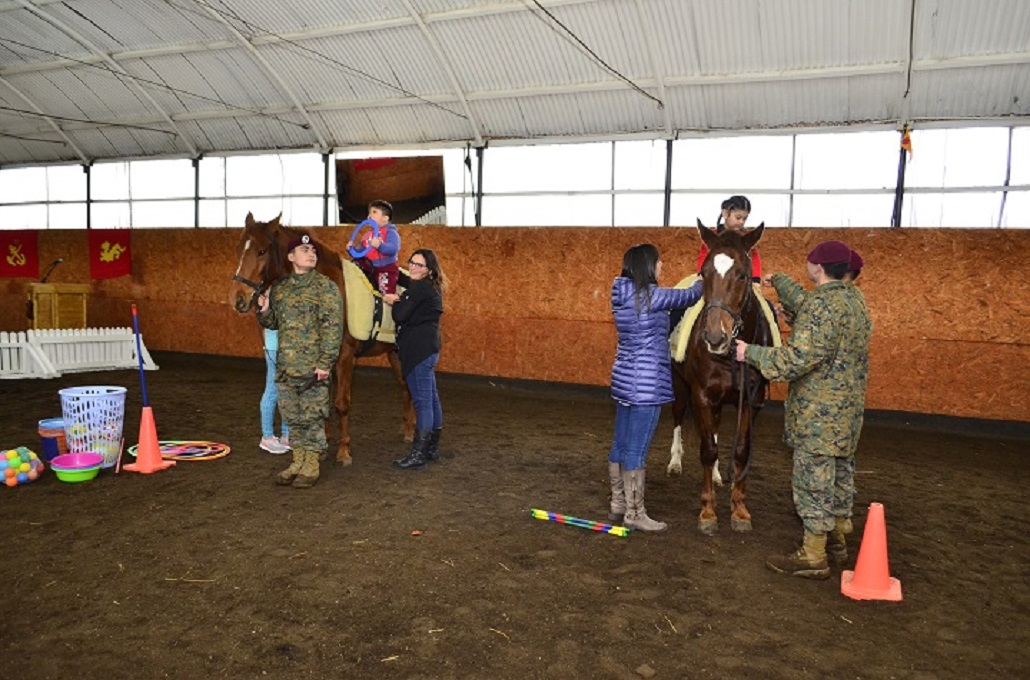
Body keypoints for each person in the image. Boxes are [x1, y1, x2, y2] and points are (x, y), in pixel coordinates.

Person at [735, 240, 872, 579]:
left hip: (818, 414)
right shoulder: (854, 300)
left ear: (817, 268)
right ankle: (837, 542)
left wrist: (750, 353)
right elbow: (822, 329)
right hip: (847, 413)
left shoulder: (821, 307)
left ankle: (813, 556)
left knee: (814, 480)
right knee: (839, 475)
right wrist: (786, 294)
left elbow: (795, 360)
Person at [608, 244, 705, 532]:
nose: (662, 266)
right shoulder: (651, 294)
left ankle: (618, 503)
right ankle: (635, 513)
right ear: (648, 265)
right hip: (647, 384)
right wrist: (703, 278)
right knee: (636, 450)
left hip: (625, 379)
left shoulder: (623, 294)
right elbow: (690, 295)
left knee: (621, 443)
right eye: (659, 262)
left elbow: (658, 324)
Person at [257, 233, 343, 489]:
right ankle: (297, 461)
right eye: (305, 250)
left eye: (313, 250)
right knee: (293, 417)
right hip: (287, 367)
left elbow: (333, 328)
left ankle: (311, 465)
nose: (311, 254)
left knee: (312, 417)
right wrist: (265, 310)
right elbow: (274, 323)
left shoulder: (325, 287)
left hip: (312, 368)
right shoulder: (281, 288)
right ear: (291, 257)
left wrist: (325, 363)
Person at [383, 248, 446, 471]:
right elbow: (408, 285)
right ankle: (431, 449)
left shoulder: (418, 288)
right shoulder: (430, 287)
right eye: (411, 262)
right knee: (431, 398)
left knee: (422, 402)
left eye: (419, 265)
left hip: (418, 351)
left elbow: (400, 315)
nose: (413, 267)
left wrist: (394, 301)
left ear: (429, 269)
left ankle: (419, 453)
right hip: (429, 349)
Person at [768, 247, 865, 326]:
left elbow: (805, 302)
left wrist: (778, 279)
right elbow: (825, 328)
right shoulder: (854, 296)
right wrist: (792, 318)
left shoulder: (834, 298)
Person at [696, 195, 762, 282]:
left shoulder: (746, 238)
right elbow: (704, 255)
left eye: (744, 219)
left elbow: (754, 257)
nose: (741, 222)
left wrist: (756, 279)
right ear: (725, 213)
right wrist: (701, 273)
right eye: (738, 217)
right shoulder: (714, 236)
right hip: (714, 278)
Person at [347, 199, 401, 296]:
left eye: (374, 212)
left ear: (385, 218)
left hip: (386, 268)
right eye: (369, 213)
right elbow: (361, 252)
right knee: (356, 263)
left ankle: (391, 301)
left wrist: (380, 245)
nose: (369, 216)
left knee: (386, 291)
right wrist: (352, 249)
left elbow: (393, 248)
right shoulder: (367, 235)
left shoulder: (390, 232)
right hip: (371, 266)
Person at [258, 328, 291, 455]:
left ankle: (286, 434)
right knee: (272, 390)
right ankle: (267, 437)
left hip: (285, 346)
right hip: (276, 346)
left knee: (287, 390)